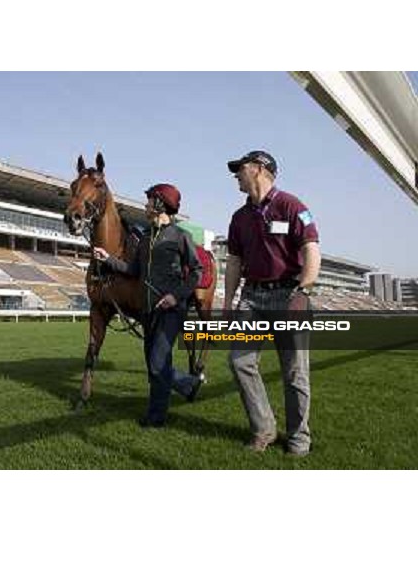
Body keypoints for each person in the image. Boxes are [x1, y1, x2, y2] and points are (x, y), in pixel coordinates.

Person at [224, 150, 321, 456]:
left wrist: (303, 291)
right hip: (251, 297)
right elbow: (235, 262)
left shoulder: (292, 205)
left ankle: (298, 437)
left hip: (288, 295)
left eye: (240, 168)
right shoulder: (239, 218)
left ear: (259, 169)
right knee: (239, 361)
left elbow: (311, 250)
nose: (236, 174)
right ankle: (264, 428)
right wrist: (228, 302)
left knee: (294, 370)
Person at [93, 183, 203, 428]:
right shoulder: (144, 240)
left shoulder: (181, 236)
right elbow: (133, 271)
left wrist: (176, 296)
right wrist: (108, 259)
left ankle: (156, 418)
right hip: (148, 310)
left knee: (157, 364)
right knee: (155, 365)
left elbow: (196, 272)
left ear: (161, 204)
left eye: (149, 201)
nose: (145, 205)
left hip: (171, 310)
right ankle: (188, 384)